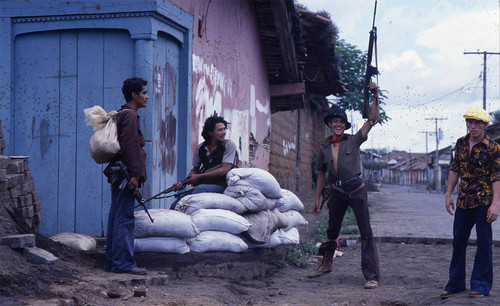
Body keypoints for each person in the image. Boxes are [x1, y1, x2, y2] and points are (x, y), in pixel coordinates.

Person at [308, 82, 381, 289]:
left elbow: (373, 119)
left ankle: (371, 276)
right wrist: (317, 199)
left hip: (356, 189)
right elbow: (321, 173)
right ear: (330, 124)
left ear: (345, 125)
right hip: (337, 191)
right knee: (331, 231)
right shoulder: (324, 148)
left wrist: (375, 94)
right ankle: (326, 264)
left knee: (365, 232)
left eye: (341, 121)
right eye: (334, 121)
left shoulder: (354, 140)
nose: (338, 124)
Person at [440, 107, 500, 299]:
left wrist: (495, 204)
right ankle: (455, 283)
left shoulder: (493, 148)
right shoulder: (460, 144)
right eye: (470, 122)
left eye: (477, 123)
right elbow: (454, 169)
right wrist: (448, 194)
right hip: (463, 201)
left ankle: (480, 286)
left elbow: (497, 177)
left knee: (484, 243)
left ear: (485, 125)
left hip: (483, 201)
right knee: (458, 242)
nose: (473, 126)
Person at [103, 77, 149, 275]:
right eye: (144, 93)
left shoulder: (123, 114)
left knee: (117, 216)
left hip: (120, 173)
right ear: (134, 95)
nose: (147, 97)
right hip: (125, 174)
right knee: (124, 218)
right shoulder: (130, 116)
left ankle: (113, 262)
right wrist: (135, 176)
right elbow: (131, 148)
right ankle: (123, 263)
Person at [170, 115, 237, 208]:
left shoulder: (229, 145)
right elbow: (195, 170)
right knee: (176, 204)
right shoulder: (201, 148)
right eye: (220, 130)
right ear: (210, 132)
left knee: (199, 190)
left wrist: (199, 176)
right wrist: (183, 182)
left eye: (224, 129)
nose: (224, 132)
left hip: (222, 185)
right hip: (203, 185)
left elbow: (224, 170)